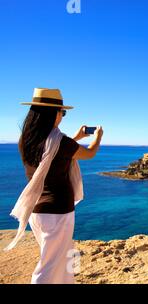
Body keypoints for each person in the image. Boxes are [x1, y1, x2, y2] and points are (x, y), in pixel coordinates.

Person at [4, 87, 103, 284]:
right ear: (53, 114)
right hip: (58, 212)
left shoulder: (25, 140)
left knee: (58, 258)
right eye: (62, 112)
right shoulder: (62, 142)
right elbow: (89, 154)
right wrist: (98, 136)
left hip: (36, 211)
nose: (63, 116)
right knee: (48, 265)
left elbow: (55, 152)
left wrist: (76, 138)